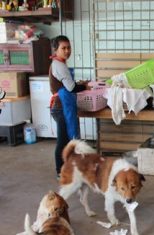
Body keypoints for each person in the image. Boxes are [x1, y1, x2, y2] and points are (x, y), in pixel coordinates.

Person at [49, 35, 88, 179]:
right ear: (56, 49)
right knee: (63, 141)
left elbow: (67, 84)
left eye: (68, 47)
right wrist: (84, 86)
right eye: (63, 48)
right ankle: (60, 171)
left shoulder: (59, 63)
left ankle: (67, 168)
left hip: (63, 106)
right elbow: (71, 88)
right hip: (61, 107)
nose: (67, 51)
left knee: (66, 140)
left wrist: (80, 83)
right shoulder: (59, 65)